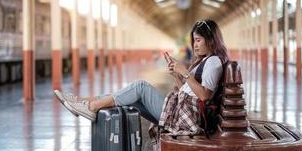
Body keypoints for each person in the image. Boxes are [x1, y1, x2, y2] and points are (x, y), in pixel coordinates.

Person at [54, 19, 228, 136]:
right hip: (182, 111)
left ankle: (90, 106)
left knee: (140, 87)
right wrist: (178, 76)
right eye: (194, 41)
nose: (195, 45)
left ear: (211, 40)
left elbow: (204, 95)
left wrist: (185, 72)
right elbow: (189, 90)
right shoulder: (206, 61)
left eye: (198, 40)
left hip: (187, 117)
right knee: (126, 97)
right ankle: (82, 102)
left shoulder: (213, 62)